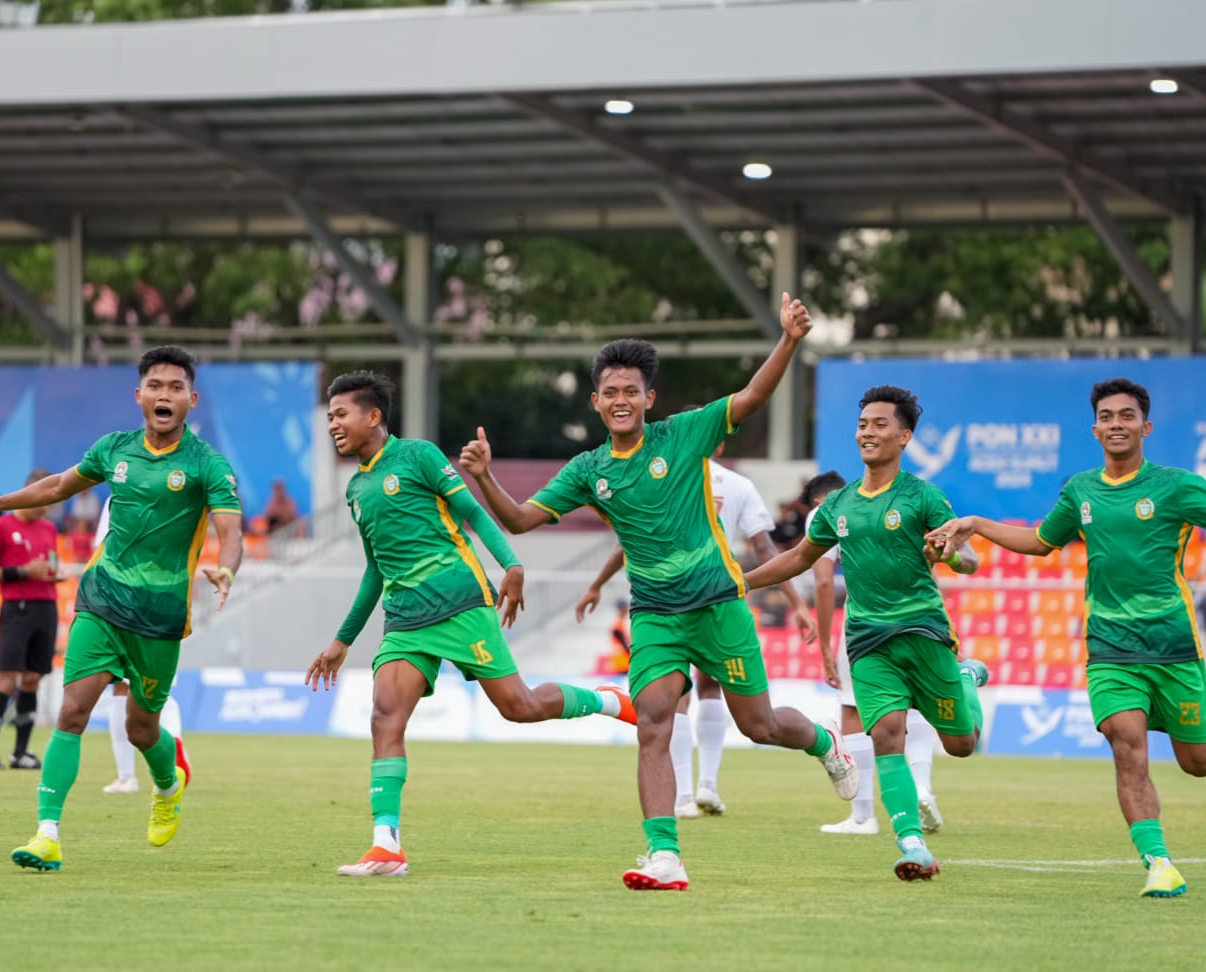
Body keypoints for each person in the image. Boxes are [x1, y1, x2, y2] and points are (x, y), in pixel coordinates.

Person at [460, 296, 859, 892]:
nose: (621, 400)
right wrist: (486, 476)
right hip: (654, 616)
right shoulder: (587, 470)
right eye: (610, 392)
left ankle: (826, 743)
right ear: (595, 402)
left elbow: (750, 397)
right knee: (653, 723)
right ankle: (664, 854)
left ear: (650, 399)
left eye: (631, 391)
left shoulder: (685, 433)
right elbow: (519, 521)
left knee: (762, 726)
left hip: (720, 607)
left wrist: (790, 341)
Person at [926, 377, 1206, 898]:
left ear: (1145, 426)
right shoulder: (1081, 491)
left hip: (1174, 646)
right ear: (1095, 429)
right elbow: (1041, 541)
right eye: (1107, 416)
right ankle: (1158, 862)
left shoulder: (1177, 486)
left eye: (1127, 415)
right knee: (1125, 745)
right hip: (1110, 649)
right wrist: (976, 523)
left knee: (1199, 762)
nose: (1117, 423)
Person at [303, 371, 637, 879]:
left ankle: (609, 699)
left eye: (341, 414)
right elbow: (376, 568)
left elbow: (474, 514)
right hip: (405, 619)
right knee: (384, 716)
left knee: (518, 708)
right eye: (329, 417)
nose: (333, 425)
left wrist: (512, 565)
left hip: (459, 602)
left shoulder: (419, 456)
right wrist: (341, 641)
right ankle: (386, 845)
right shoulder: (357, 488)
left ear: (373, 416)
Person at [0, 345, 243, 873]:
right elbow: (56, 486)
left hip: (161, 615)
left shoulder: (207, 465)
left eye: (175, 388)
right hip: (101, 599)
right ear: (139, 395)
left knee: (140, 729)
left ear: (191, 400)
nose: (164, 395)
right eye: (155, 386)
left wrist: (227, 567)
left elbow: (230, 531)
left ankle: (169, 784)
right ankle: (46, 834)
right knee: (74, 710)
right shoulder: (114, 449)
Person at [745, 386, 988, 881]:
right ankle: (912, 846)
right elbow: (797, 559)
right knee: (885, 737)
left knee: (962, 744)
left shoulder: (923, 496)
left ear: (905, 437)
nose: (868, 433)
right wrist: (737, 583)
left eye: (880, 425)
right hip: (868, 641)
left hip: (924, 634)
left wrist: (951, 552)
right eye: (862, 425)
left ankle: (964, 677)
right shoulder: (840, 504)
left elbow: (968, 558)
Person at [575, 436, 817, 820]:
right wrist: (797, 603)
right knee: (703, 688)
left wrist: (596, 585)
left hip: (710, 599)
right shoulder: (739, 485)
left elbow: (629, 543)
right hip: (706, 598)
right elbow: (763, 547)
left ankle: (689, 793)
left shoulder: (663, 477)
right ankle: (704, 787)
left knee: (694, 699)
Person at [799, 468, 951, 838]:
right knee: (912, 705)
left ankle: (863, 816)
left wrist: (823, 641)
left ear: (820, 502)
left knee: (852, 710)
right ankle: (923, 788)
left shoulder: (829, 512)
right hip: (921, 621)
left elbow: (821, 579)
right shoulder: (898, 501)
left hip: (867, 625)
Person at [87, 497, 193, 795]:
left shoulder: (118, 496)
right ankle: (173, 747)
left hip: (123, 601)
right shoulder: (179, 492)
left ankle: (127, 776)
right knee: (150, 688)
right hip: (165, 599)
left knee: (123, 689)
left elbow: (103, 549)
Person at [0, 469, 63, 771]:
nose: (47, 506)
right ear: (30, 493)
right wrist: (22, 572)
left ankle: (21, 753)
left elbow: (51, 564)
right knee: (7, 677)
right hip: (17, 608)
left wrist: (54, 572)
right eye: (43, 499)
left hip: (46, 607)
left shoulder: (49, 529)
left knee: (32, 679)